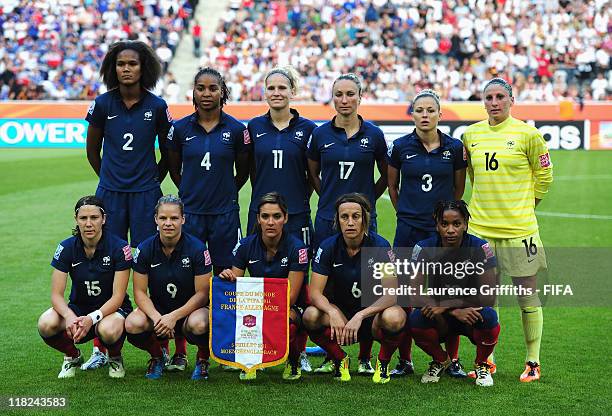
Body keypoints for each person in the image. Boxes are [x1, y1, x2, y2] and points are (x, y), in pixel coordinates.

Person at [84, 40, 172, 369]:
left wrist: (151, 179)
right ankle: (101, 345)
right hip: (111, 195)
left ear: (143, 67)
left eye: (132, 63)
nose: (126, 68)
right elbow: (93, 150)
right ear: (112, 67)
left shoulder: (158, 105)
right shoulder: (103, 103)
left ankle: (160, 342)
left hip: (146, 195)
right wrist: (109, 180)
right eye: (121, 63)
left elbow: (168, 150)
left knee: (151, 264)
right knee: (105, 265)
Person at [462, 77, 553, 382]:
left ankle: (533, 361)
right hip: (480, 230)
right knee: (486, 299)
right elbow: (473, 176)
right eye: (489, 97)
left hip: (519, 230)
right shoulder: (470, 135)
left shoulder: (529, 134)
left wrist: (526, 207)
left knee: (527, 296)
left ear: (512, 100)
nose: (495, 102)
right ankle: (487, 360)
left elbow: (544, 177)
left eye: (501, 97)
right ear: (483, 101)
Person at [306, 74, 388, 374]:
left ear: (360, 96)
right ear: (332, 98)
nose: (344, 99)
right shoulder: (320, 135)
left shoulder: (375, 135)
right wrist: (329, 200)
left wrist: (366, 204)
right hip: (328, 218)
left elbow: (387, 175)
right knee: (328, 286)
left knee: (368, 286)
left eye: (350, 94)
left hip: (364, 221)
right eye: (338, 94)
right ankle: (334, 353)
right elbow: (313, 173)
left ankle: (365, 355)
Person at [387, 89, 467, 377]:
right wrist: (405, 212)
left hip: (441, 233)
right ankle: (405, 360)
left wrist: (444, 220)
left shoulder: (455, 148)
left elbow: (458, 190)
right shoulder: (399, 147)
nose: (424, 115)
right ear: (412, 114)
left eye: (430, 110)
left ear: (439, 114)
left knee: (447, 291)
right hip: (408, 230)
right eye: (419, 110)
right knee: (406, 294)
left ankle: (453, 360)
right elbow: (392, 186)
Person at [246, 66, 318, 372]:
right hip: (260, 216)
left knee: (299, 287)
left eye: (282, 88)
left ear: (293, 92)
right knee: (258, 281)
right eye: (271, 88)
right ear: (264, 92)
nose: (276, 92)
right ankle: (257, 344)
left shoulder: (309, 129)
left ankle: (297, 351)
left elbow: (314, 172)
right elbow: (247, 169)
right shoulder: (252, 127)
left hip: (298, 215)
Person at [303, 193, 406, 384]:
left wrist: (360, 316)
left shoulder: (380, 246)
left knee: (395, 316)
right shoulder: (328, 247)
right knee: (310, 315)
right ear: (337, 220)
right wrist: (332, 312)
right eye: (344, 217)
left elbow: (392, 294)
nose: (350, 222)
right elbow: (315, 292)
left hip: (370, 318)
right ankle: (339, 358)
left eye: (355, 216)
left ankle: (382, 363)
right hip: (340, 318)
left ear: (364, 219)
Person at [37, 196, 132, 379]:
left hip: (112, 310)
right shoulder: (66, 247)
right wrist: (70, 317)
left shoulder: (119, 247)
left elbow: (118, 296)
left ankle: (114, 357)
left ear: (103, 219)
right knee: (45, 323)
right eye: (83, 218)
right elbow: (56, 295)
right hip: (78, 307)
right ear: (76, 219)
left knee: (108, 330)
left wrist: (91, 318)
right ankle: (72, 356)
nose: (88, 224)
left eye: (94, 218)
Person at [167, 67, 250, 276]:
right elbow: (174, 169)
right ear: (193, 92)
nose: (206, 93)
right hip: (191, 213)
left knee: (226, 273)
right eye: (201, 88)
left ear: (222, 91)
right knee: (187, 272)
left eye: (213, 88)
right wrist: (189, 189)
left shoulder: (237, 129)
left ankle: (219, 311)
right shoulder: (180, 129)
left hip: (224, 214)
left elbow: (243, 171)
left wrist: (226, 190)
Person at [409, 200, 500, 387]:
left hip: (469, 315)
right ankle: (441, 360)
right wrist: (451, 310)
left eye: (456, 224)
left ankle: (482, 364)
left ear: (465, 224)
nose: (450, 230)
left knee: (490, 317)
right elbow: (413, 293)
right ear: (437, 225)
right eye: (444, 224)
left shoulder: (480, 248)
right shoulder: (424, 248)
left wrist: (447, 305)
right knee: (416, 319)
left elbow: (489, 295)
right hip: (441, 318)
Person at [219, 192, 309, 381]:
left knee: (287, 321)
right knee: (238, 314)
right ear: (258, 219)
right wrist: (227, 277)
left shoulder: (297, 248)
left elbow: (290, 297)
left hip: (290, 306)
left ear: (285, 218)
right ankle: (249, 360)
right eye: (265, 216)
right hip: (257, 304)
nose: (270, 222)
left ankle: (293, 360)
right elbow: (235, 286)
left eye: (276, 216)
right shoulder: (245, 245)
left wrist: (259, 306)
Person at [125, 195, 213, 380]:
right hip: (159, 311)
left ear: (183, 219)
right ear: (155, 219)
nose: (168, 223)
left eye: (174, 218)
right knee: (133, 324)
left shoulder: (198, 249)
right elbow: (140, 292)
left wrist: (173, 317)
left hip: (191, 311)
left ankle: (202, 359)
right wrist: (159, 318)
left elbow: (203, 294)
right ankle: (158, 357)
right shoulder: (144, 249)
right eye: (163, 218)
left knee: (201, 323)